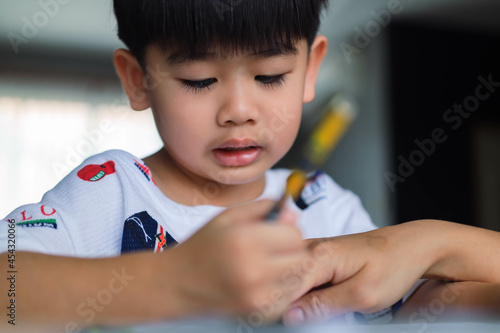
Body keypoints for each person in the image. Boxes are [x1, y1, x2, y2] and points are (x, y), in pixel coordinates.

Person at [1, 1, 500, 332]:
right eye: (198, 80)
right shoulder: (110, 190)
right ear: (138, 80)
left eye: (270, 75)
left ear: (310, 72)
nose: (239, 110)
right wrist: (173, 281)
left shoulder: (324, 204)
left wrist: (430, 239)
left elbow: (427, 305)